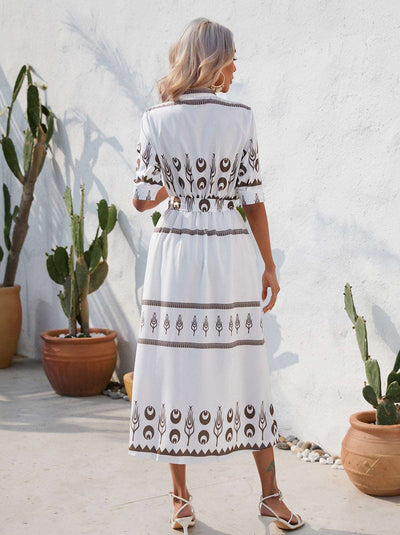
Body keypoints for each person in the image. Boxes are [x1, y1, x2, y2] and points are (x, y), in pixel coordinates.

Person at [128, 17, 305, 533]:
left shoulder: (155, 118)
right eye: (231, 57)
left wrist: (179, 187)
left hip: (175, 249)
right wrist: (269, 264)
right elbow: (253, 200)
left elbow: (141, 199)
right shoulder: (241, 117)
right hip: (228, 250)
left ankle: (180, 502)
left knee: (172, 366)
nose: (234, 68)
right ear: (214, 61)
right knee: (248, 366)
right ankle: (271, 496)